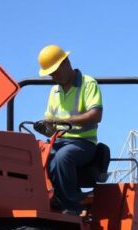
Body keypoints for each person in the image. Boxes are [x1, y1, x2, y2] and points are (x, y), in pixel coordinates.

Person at [35, 45, 103, 216]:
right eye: (50, 73)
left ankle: (72, 205)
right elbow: (51, 126)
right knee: (33, 156)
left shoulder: (88, 84)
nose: (53, 76)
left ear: (66, 63)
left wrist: (62, 121)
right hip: (58, 141)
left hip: (83, 143)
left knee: (62, 157)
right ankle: (46, 200)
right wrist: (45, 127)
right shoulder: (54, 91)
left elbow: (96, 115)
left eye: (55, 71)